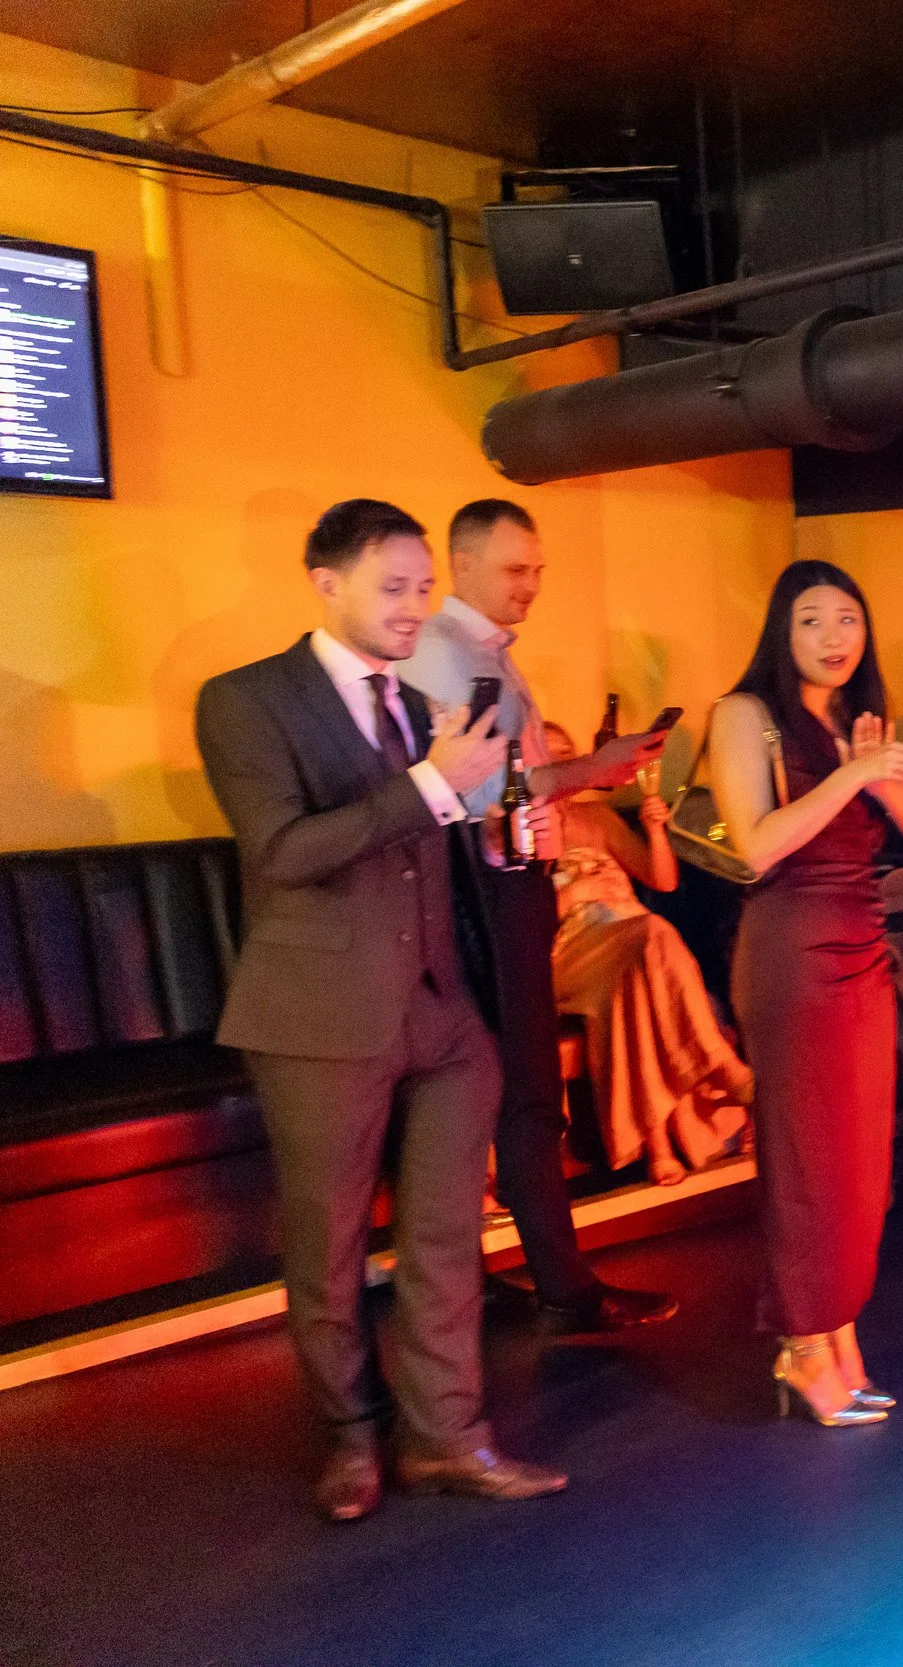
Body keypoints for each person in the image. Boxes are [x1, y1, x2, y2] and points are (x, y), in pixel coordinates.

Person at [194, 499, 565, 1522]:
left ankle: (447, 1436)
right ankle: (351, 1436)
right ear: (326, 583)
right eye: (393, 587)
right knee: (331, 1244)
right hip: (318, 1015)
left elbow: (427, 842)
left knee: (448, 1238)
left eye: (422, 587)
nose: (414, 607)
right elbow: (283, 852)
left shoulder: (413, 703)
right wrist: (434, 784)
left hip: (440, 1013)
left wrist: (498, 829)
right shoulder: (244, 699)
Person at [400, 498, 677, 1338]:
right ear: (464, 565)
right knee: (523, 1091)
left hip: (505, 884)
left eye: (539, 570)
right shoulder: (448, 653)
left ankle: (505, 1280)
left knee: (505, 1091)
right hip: (489, 888)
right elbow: (487, 795)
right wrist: (585, 773)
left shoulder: (482, 653)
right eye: (516, 569)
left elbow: (511, 786)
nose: (532, 585)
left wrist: (593, 768)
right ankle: (562, 1288)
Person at [710, 560, 903, 1427]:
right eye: (813, 619)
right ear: (783, 629)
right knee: (809, 1157)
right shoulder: (744, 713)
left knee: (858, 1164)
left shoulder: (854, 720)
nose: (834, 637)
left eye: (848, 619)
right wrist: (851, 776)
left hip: (862, 943)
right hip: (792, 952)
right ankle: (803, 1344)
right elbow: (754, 846)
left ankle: (839, 1335)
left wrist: (889, 783)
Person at [541, 722, 751, 1186]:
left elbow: (663, 880)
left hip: (631, 945)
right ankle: (719, 1063)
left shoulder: (597, 820)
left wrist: (655, 830)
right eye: (549, 756)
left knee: (639, 992)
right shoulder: (519, 827)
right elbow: (510, 924)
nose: (561, 764)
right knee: (653, 936)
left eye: (567, 754)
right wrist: (578, 893)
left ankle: (659, 1148)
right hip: (568, 953)